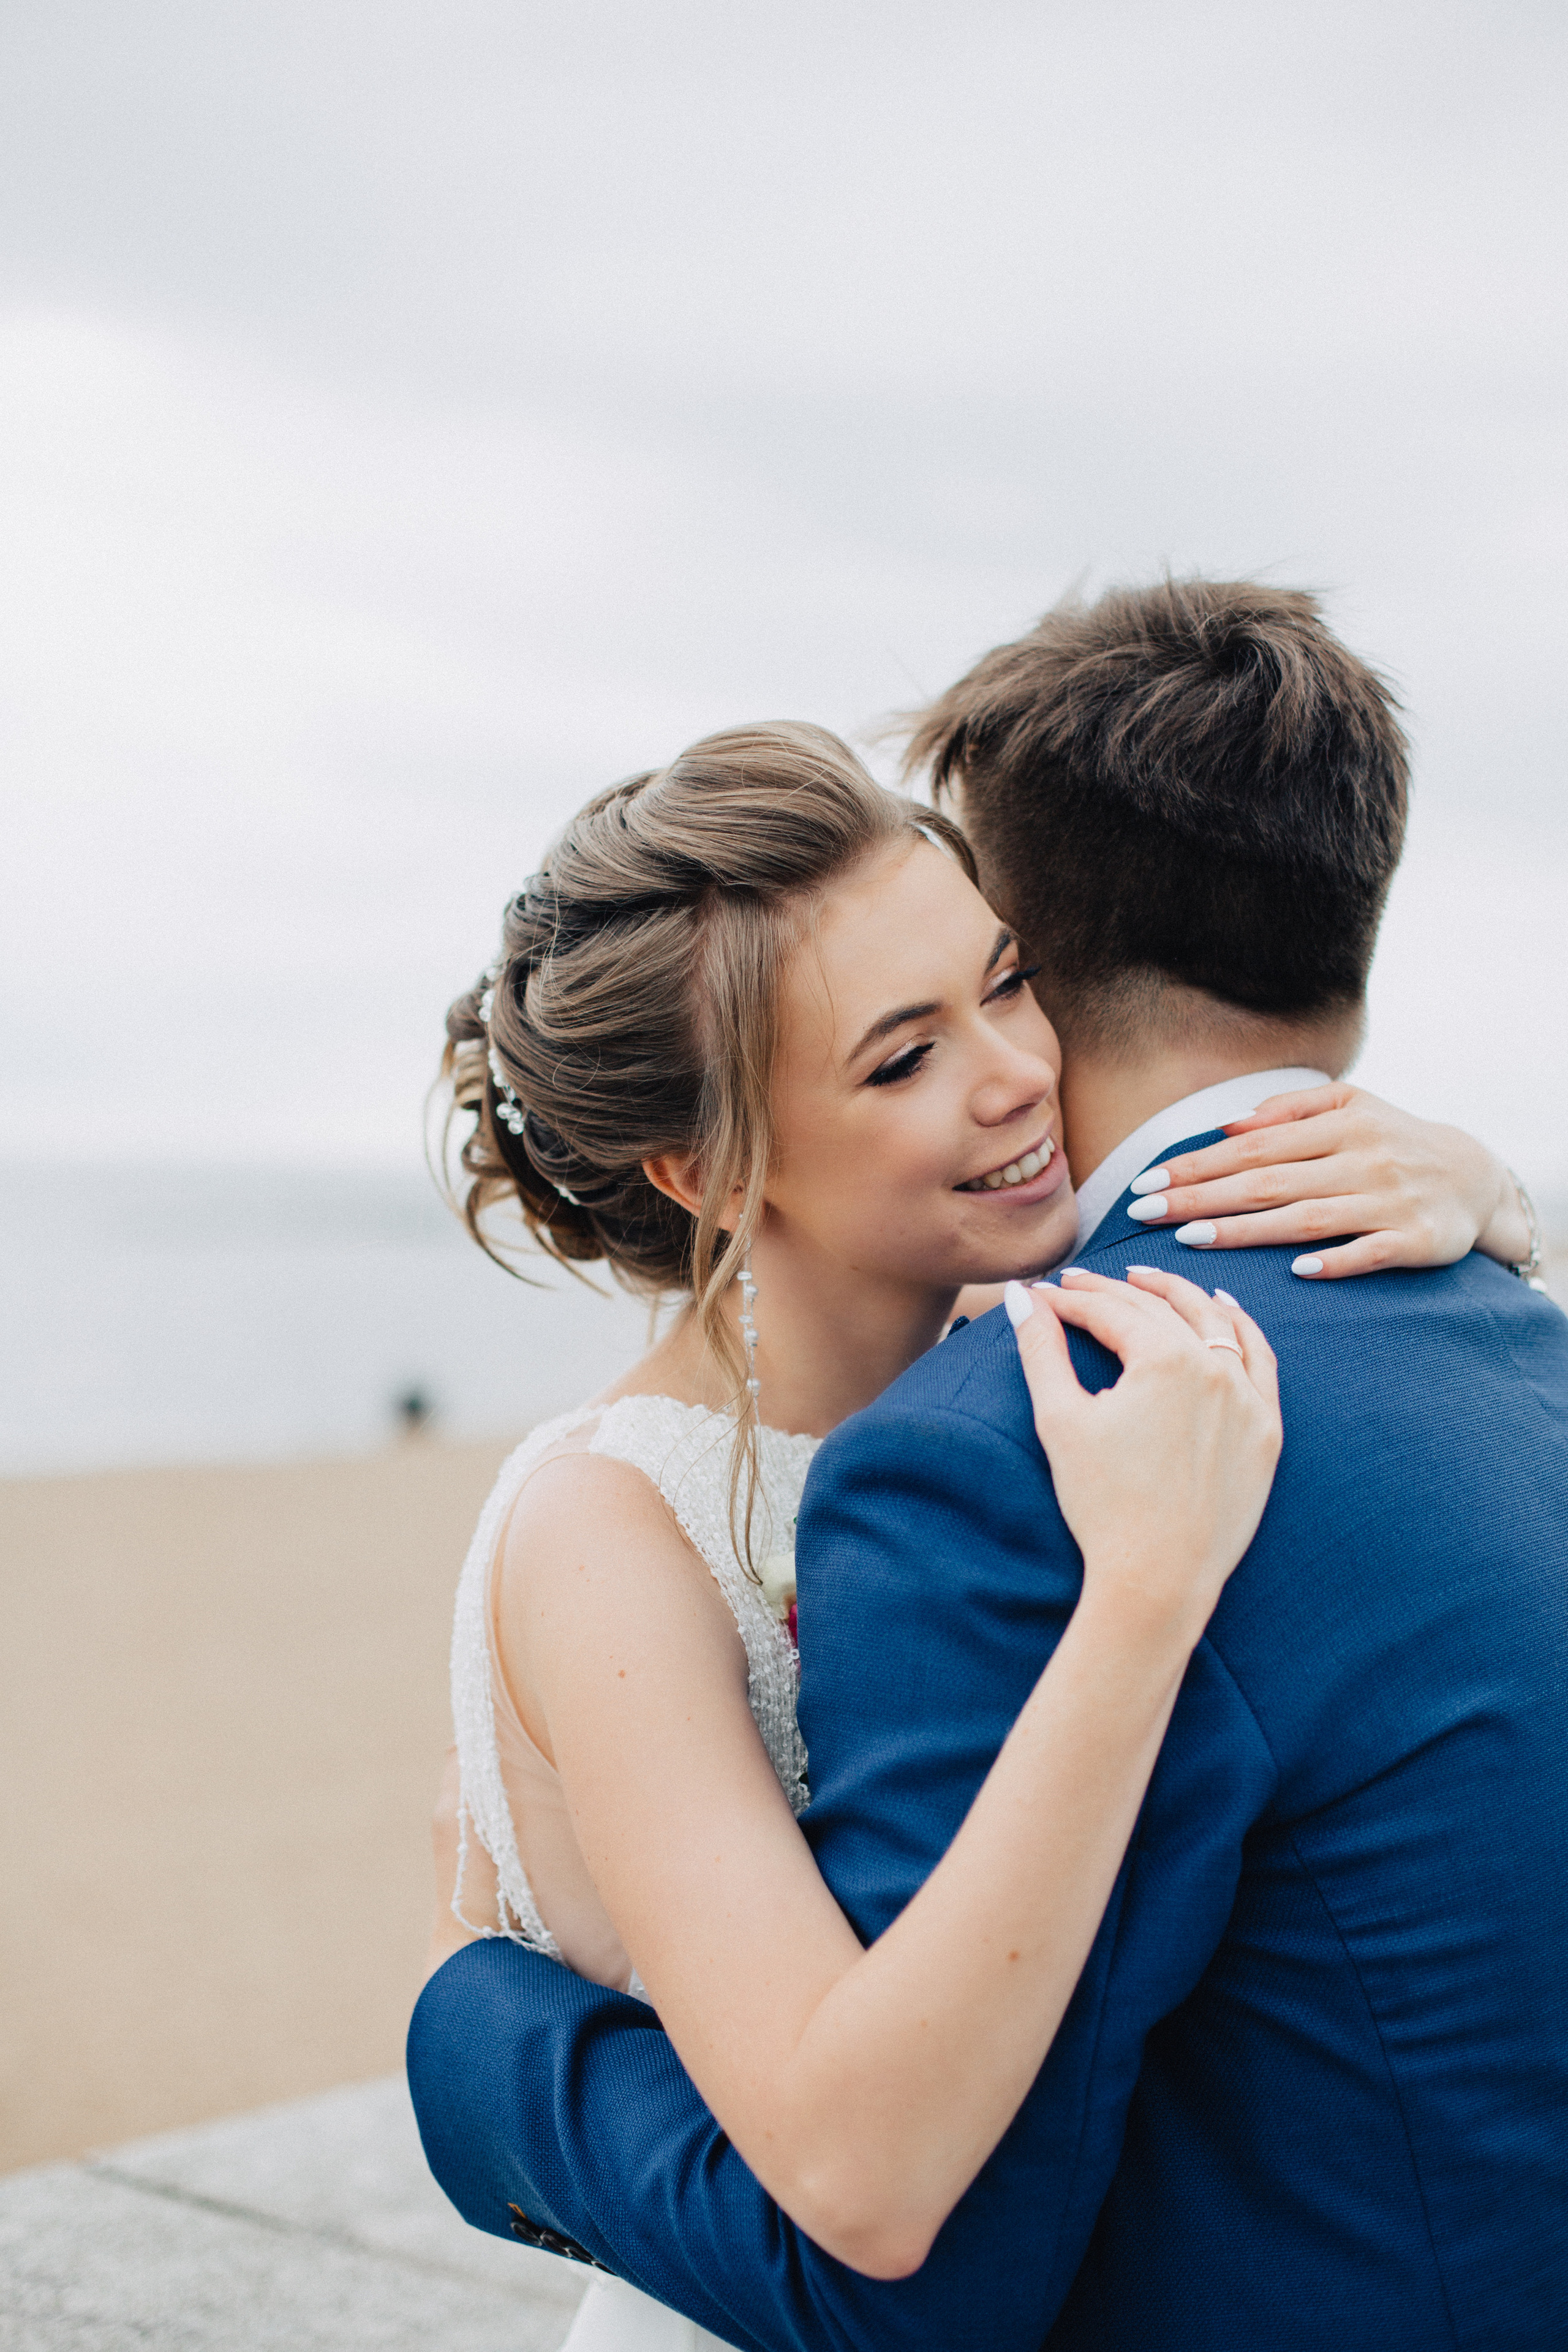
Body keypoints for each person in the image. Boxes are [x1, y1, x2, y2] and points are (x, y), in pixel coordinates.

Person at [409, 584, 1568, 2351]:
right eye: (904, 1054)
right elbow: (863, 2190)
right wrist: (472, 2031)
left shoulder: (1010, 1383)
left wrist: (1493, 1194)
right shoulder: (617, 1526)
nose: (1025, 1071)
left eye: (1009, 980)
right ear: (710, 1174)